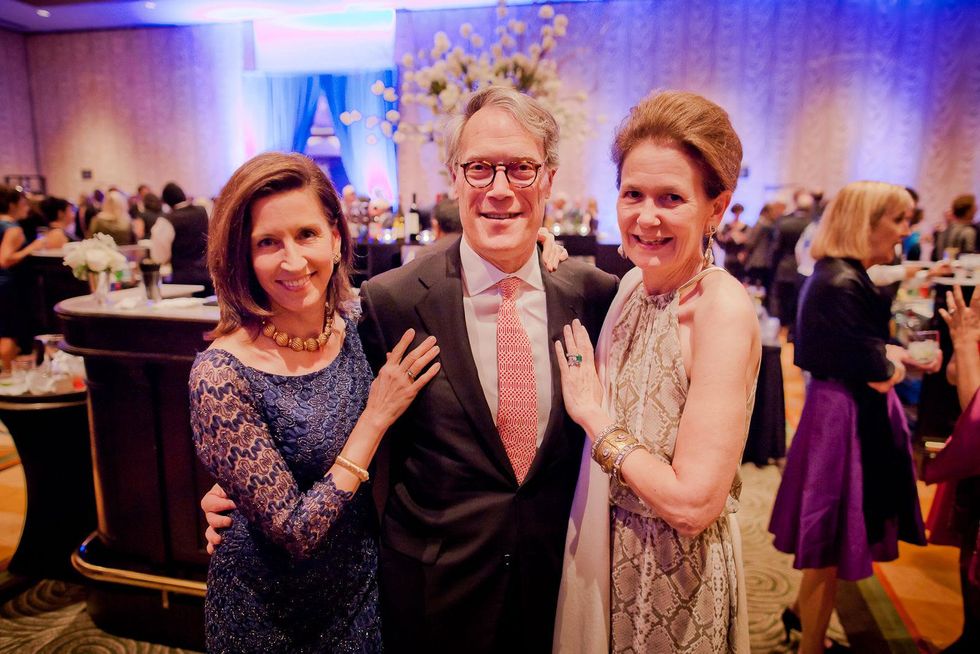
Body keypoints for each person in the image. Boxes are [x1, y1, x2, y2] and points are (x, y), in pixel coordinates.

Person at [203, 86, 618, 653]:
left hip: (559, 586)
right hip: (431, 600)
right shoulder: (389, 302)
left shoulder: (594, 296)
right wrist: (235, 490)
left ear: (548, 179)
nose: (500, 188)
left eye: (521, 168)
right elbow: (324, 410)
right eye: (479, 168)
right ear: (454, 178)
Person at [189, 152, 440, 652]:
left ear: (336, 237)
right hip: (266, 613)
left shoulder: (360, 326)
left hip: (360, 590)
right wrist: (374, 418)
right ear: (241, 255)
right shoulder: (220, 375)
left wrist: (535, 246)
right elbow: (294, 532)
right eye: (267, 242)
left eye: (306, 234)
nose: (293, 261)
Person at [553, 90, 760, 653]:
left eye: (672, 198)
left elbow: (694, 505)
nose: (647, 217)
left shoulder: (719, 309)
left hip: (677, 583)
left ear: (716, 208)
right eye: (633, 194)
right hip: (609, 562)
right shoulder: (632, 288)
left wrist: (596, 420)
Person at [769, 181, 940, 654]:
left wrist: (890, 359)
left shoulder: (839, 274)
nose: (905, 231)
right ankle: (811, 646)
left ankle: (800, 617)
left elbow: (864, 353)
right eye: (898, 220)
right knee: (828, 542)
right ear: (866, 223)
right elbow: (875, 369)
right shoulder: (841, 281)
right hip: (841, 418)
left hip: (838, 410)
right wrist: (898, 363)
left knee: (830, 534)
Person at [934, 285, 980, 653]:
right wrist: (962, 346)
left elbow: (977, 414)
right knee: (968, 546)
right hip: (972, 462)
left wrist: (964, 344)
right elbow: (954, 377)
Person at [0, 185, 68, 370]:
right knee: (8, 333)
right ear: (12, 205)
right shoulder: (12, 228)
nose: (27, 208)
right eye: (23, 204)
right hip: (8, 285)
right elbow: (4, 259)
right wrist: (32, 247)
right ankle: (7, 374)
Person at [155, 182, 210, 289]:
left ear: (166, 201)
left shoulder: (166, 220)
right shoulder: (203, 211)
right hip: (207, 274)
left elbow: (160, 256)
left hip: (183, 280)